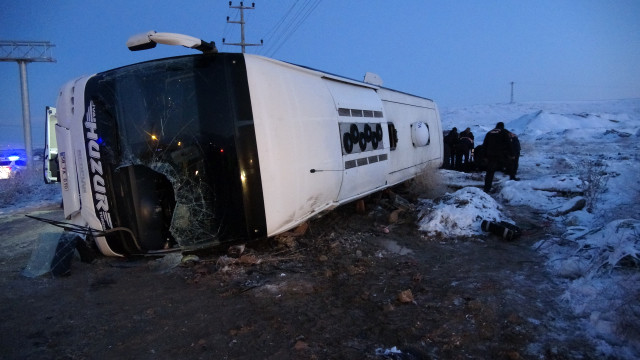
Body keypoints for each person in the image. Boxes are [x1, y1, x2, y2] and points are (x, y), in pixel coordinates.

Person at [482, 122, 513, 192]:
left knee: (490, 172)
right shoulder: (504, 132)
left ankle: (487, 188)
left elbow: (484, 145)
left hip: (490, 155)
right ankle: (510, 187)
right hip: (501, 155)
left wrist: (484, 156)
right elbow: (509, 144)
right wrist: (512, 154)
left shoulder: (489, 133)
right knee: (510, 168)